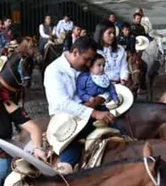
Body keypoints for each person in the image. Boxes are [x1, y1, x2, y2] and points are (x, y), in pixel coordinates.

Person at [44, 36, 115, 174]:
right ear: (75, 52)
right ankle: (63, 174)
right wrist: (94, 112)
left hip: (91, 110)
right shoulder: (54, 70)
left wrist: (100, 98)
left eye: (91, 60)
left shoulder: (83, 67)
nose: (89, 64)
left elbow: (103, 85)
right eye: (86, 59)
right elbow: (62, 103)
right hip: (66, 120)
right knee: (70, 153)